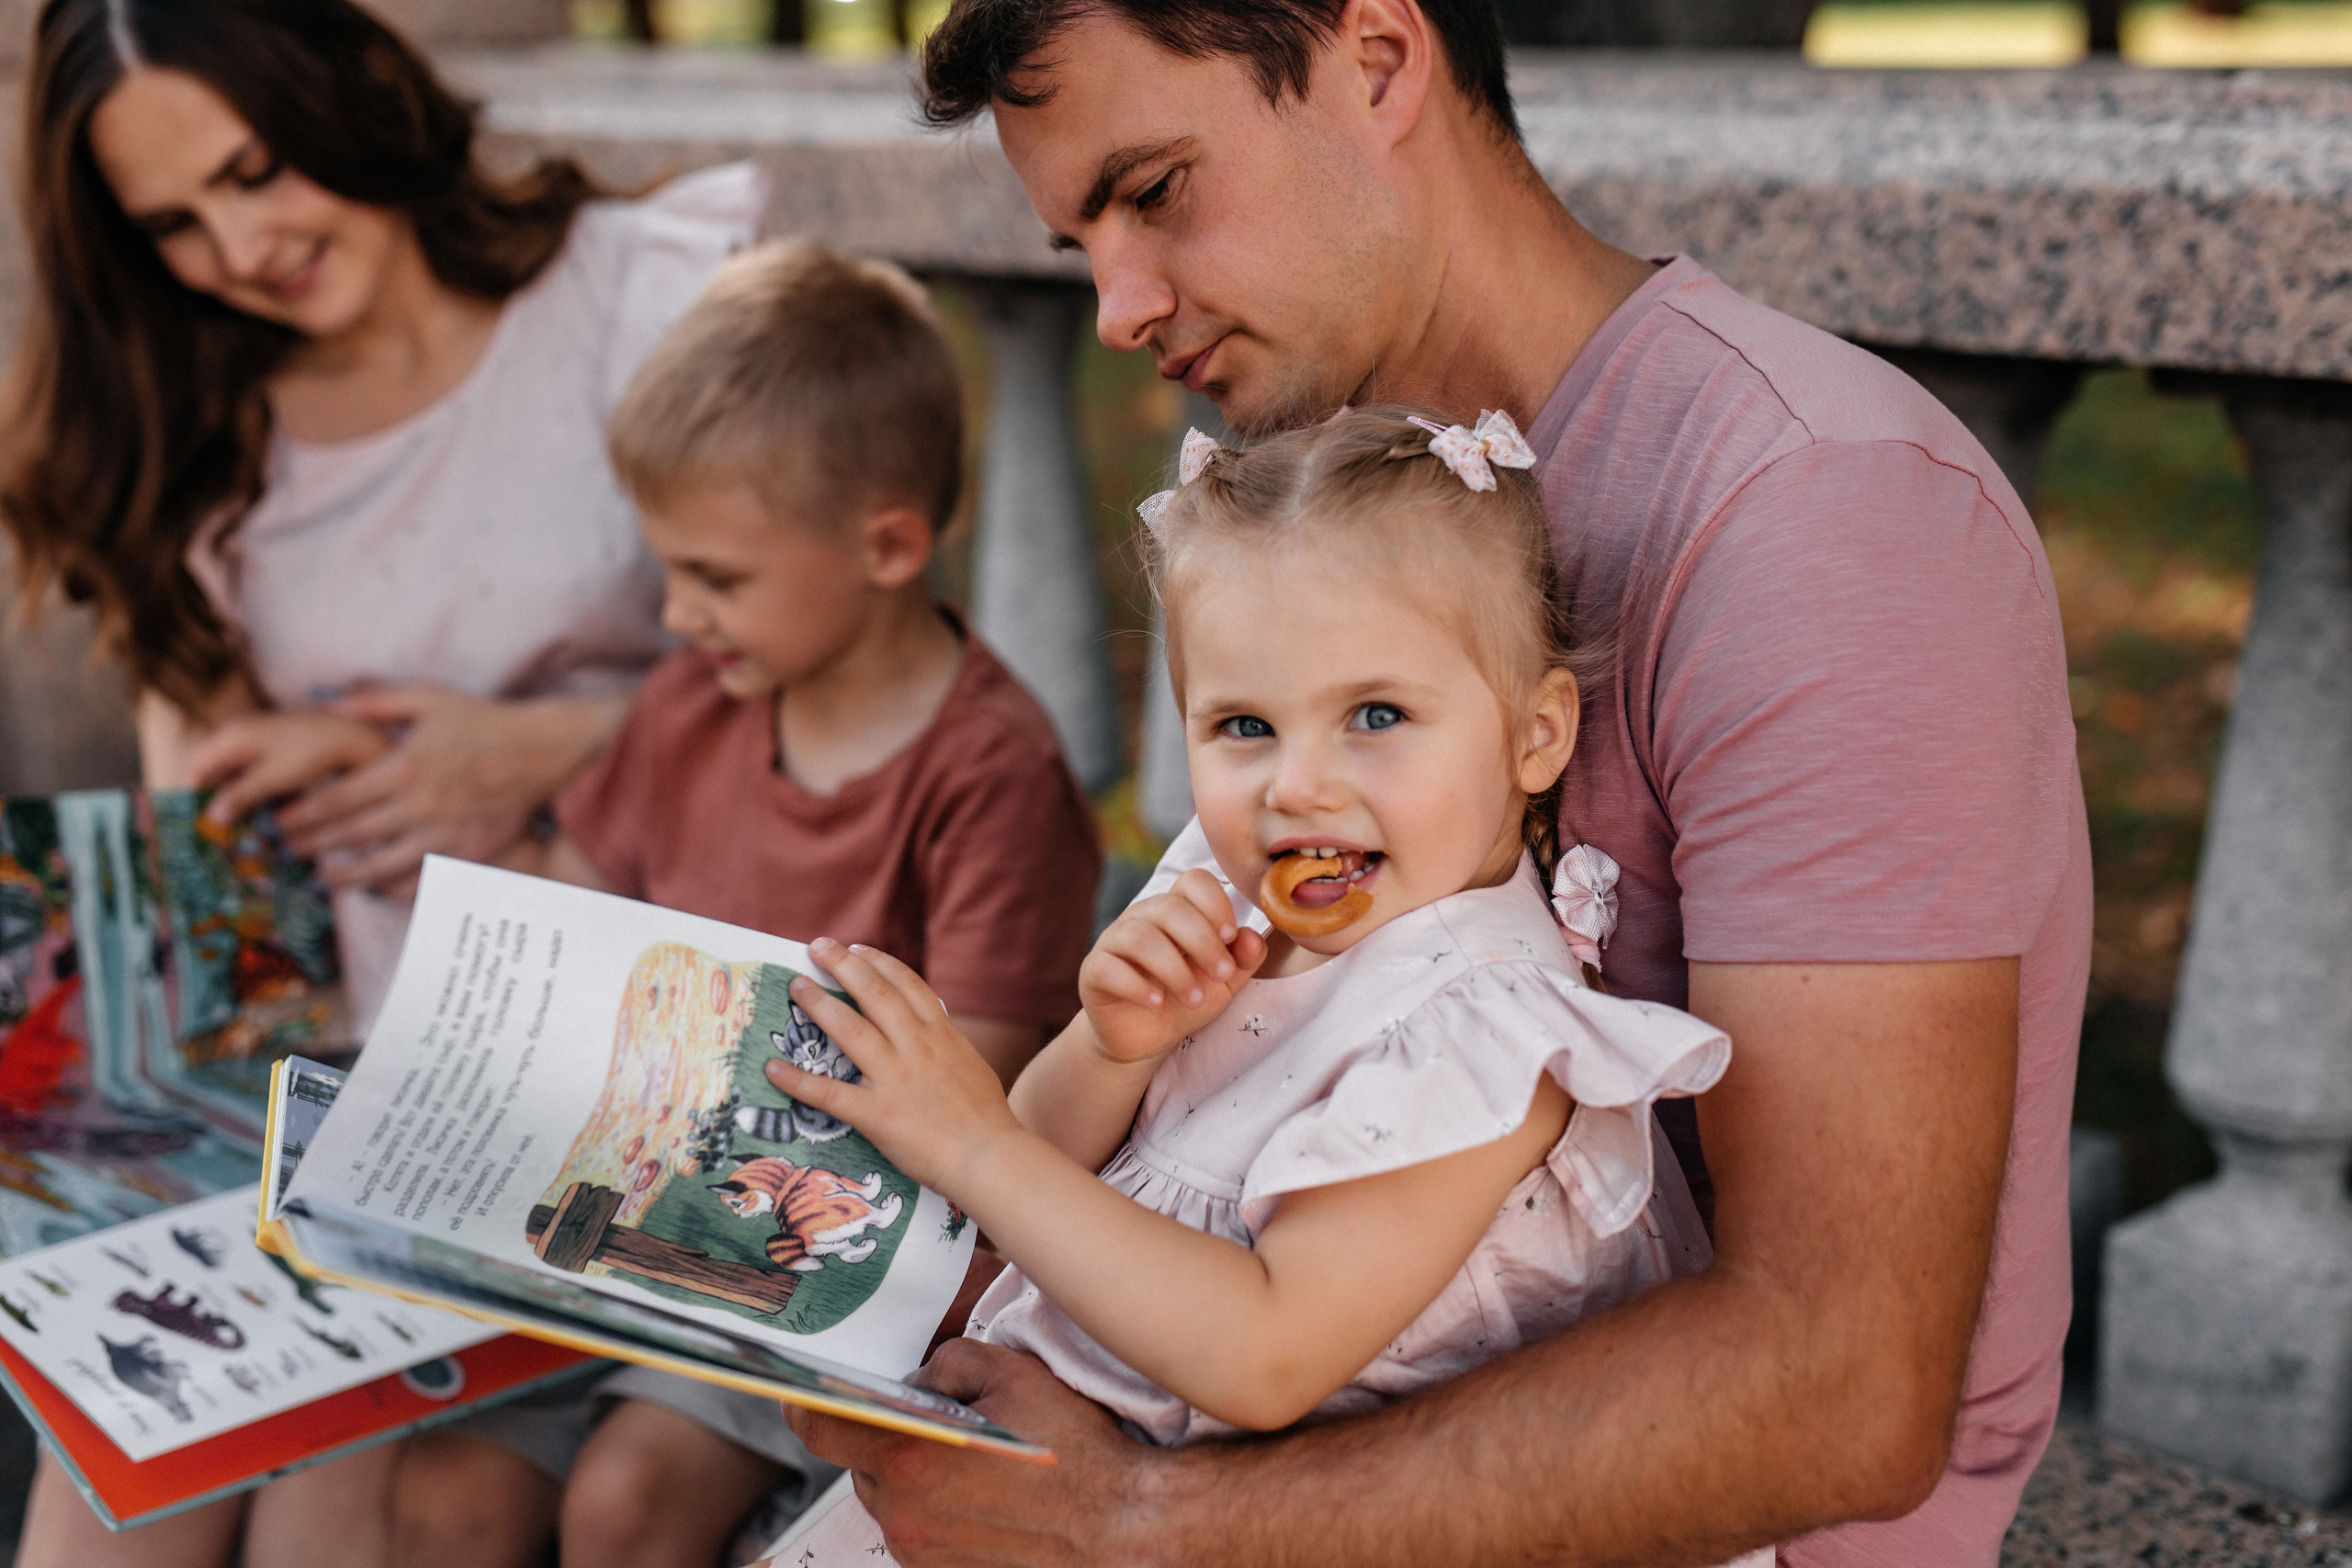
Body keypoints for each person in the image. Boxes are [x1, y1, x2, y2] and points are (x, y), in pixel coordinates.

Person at [784, 3, 2092, 1565]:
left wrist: (1129, 1523)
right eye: (1083, 245)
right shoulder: (1323, 527)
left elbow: (1840, 1388)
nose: (1120, 308)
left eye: (1156, 191)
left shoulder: (1818, 520)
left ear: (1383, 60)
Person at [0, 1, 761, 1562]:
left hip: (630, 1067)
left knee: (335, 1499)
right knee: (109, 1469)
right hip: (341, 1080)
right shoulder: (198, 437)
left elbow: (870, 685)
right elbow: (219, 904)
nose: (239, 248)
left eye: (254, 171)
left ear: (346, 96)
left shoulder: (643, 299)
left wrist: (549, 747)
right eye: (174, 224)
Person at [762, 406, 1763, 1568]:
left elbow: (1265, 1355)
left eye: (1376, 716)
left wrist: (971, 1140)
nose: (1297, 786)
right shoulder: (1221, 889)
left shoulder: (1481, 1030)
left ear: (1535, 735)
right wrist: (1112, 1046)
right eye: (1244, 725)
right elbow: (1023, 1179)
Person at [465, 238, 1099, 1568]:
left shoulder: (992, 772)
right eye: (670, 570)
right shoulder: (691, 704)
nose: (678, 614)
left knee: (625, 1501)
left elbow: (975, 1088)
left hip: (809, 1258)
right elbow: (578, 926)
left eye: (719, 579)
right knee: (426, 1491)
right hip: (605, 1216)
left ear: (889, 545)